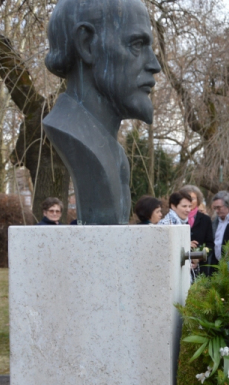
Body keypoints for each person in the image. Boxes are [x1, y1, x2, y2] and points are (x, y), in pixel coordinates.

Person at [42, 0, 161, 225]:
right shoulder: (77, 137)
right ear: (86, 44)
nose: (155, 65)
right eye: (137, 44)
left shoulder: (116, 155)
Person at [211, 191, 229, 261]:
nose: (217, 211)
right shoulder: (214, 222)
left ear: (228, 205)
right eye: (215, 208)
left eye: (218, 208)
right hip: (216, 262)